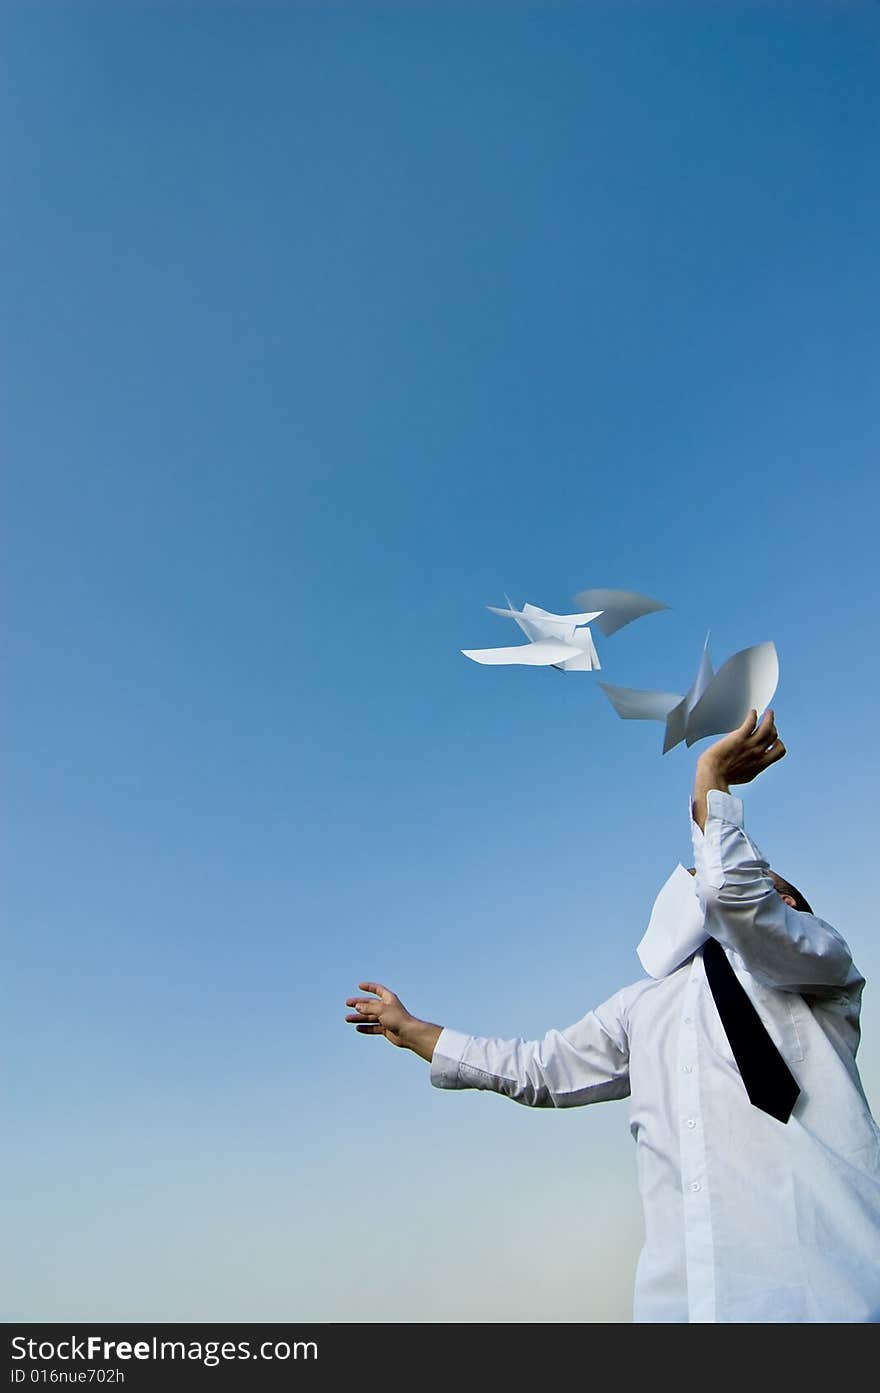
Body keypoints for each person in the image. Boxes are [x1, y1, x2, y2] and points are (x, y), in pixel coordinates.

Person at [345, 709, 880, 1323]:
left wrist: (711, 780)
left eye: (767, 884)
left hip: (830, 1297)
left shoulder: (822, 966)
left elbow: (731, 894)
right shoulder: (644, 1006)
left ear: (787, 904)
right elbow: (540, 1068)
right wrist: (418, 1033)